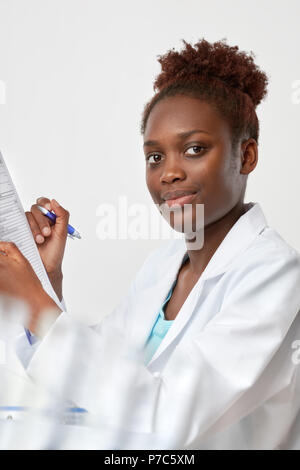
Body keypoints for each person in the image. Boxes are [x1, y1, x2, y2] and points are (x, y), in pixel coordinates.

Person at [0, 38, 300, 449]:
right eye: (155, 157)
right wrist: (45, 281)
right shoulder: (162, 267)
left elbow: (170, 420)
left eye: (194, 149)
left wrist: (39, 307)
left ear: (246, 156)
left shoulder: (278, 278)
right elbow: (95, 383)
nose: (169, 173)